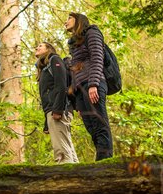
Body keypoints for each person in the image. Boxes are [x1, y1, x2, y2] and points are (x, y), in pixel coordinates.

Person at [65, 12, 113, 161]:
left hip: (93, 84)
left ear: (78, 20)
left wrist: (93, 84)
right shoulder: (73, 43)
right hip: (81, 89)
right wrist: (76, 99)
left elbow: (97, 57)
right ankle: (101, 160)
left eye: (69, 18)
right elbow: (76, 68)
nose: (65, 22)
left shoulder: (92, 33)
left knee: (100, 123)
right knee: (91, 127)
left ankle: (106, 161)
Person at [34, 42, 79, 164]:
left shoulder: (54, 59)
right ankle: (77, 176)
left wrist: (58, 110)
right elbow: (49, 95)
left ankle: (65, 177)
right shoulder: (45, 68)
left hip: (60, 110)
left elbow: (61, 85)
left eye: (40, 46)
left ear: (49, 49)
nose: (37, 47)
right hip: (54, 111)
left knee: (62, 152)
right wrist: (46, 123)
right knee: (67, 147)